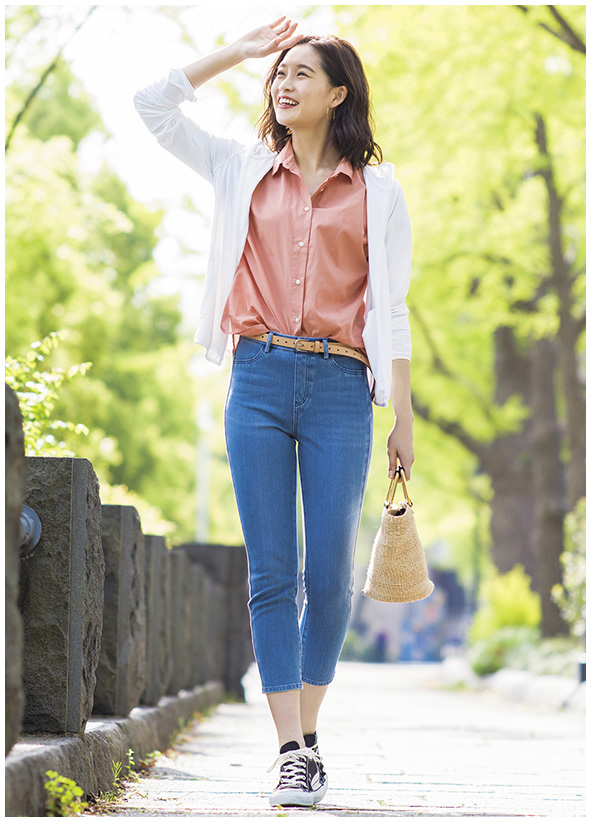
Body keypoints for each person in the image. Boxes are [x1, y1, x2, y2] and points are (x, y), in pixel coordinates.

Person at [134, 16, 414, 808]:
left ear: (338, 94)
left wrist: (403, 415)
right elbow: (150, 106)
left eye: (300, 73)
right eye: (278, 73)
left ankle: (309, 730)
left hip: (340, 387)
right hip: (256, 377)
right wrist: (238, 52)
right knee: (270, 573)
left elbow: (391, 307)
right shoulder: (240, 167)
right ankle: (291, 749)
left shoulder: (378, 192)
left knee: (326, 578)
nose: (282, 83)